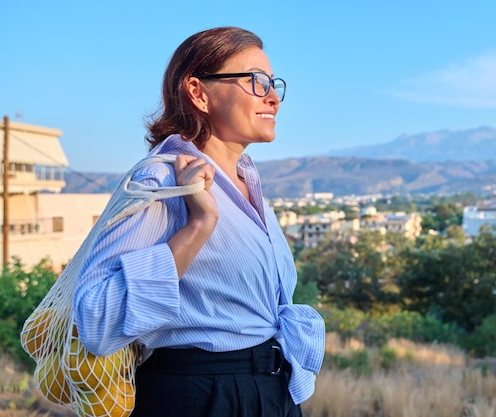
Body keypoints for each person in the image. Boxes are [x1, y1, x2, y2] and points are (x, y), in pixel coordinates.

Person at [73, 27, 325, 417]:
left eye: (273, 83)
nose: (273, 97)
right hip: (203, 396)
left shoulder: (246, 184)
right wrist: (198, 225)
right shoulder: (161, 181)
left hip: (267, 392)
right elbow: (96, 318)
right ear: (198, 92)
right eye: (255, 82)